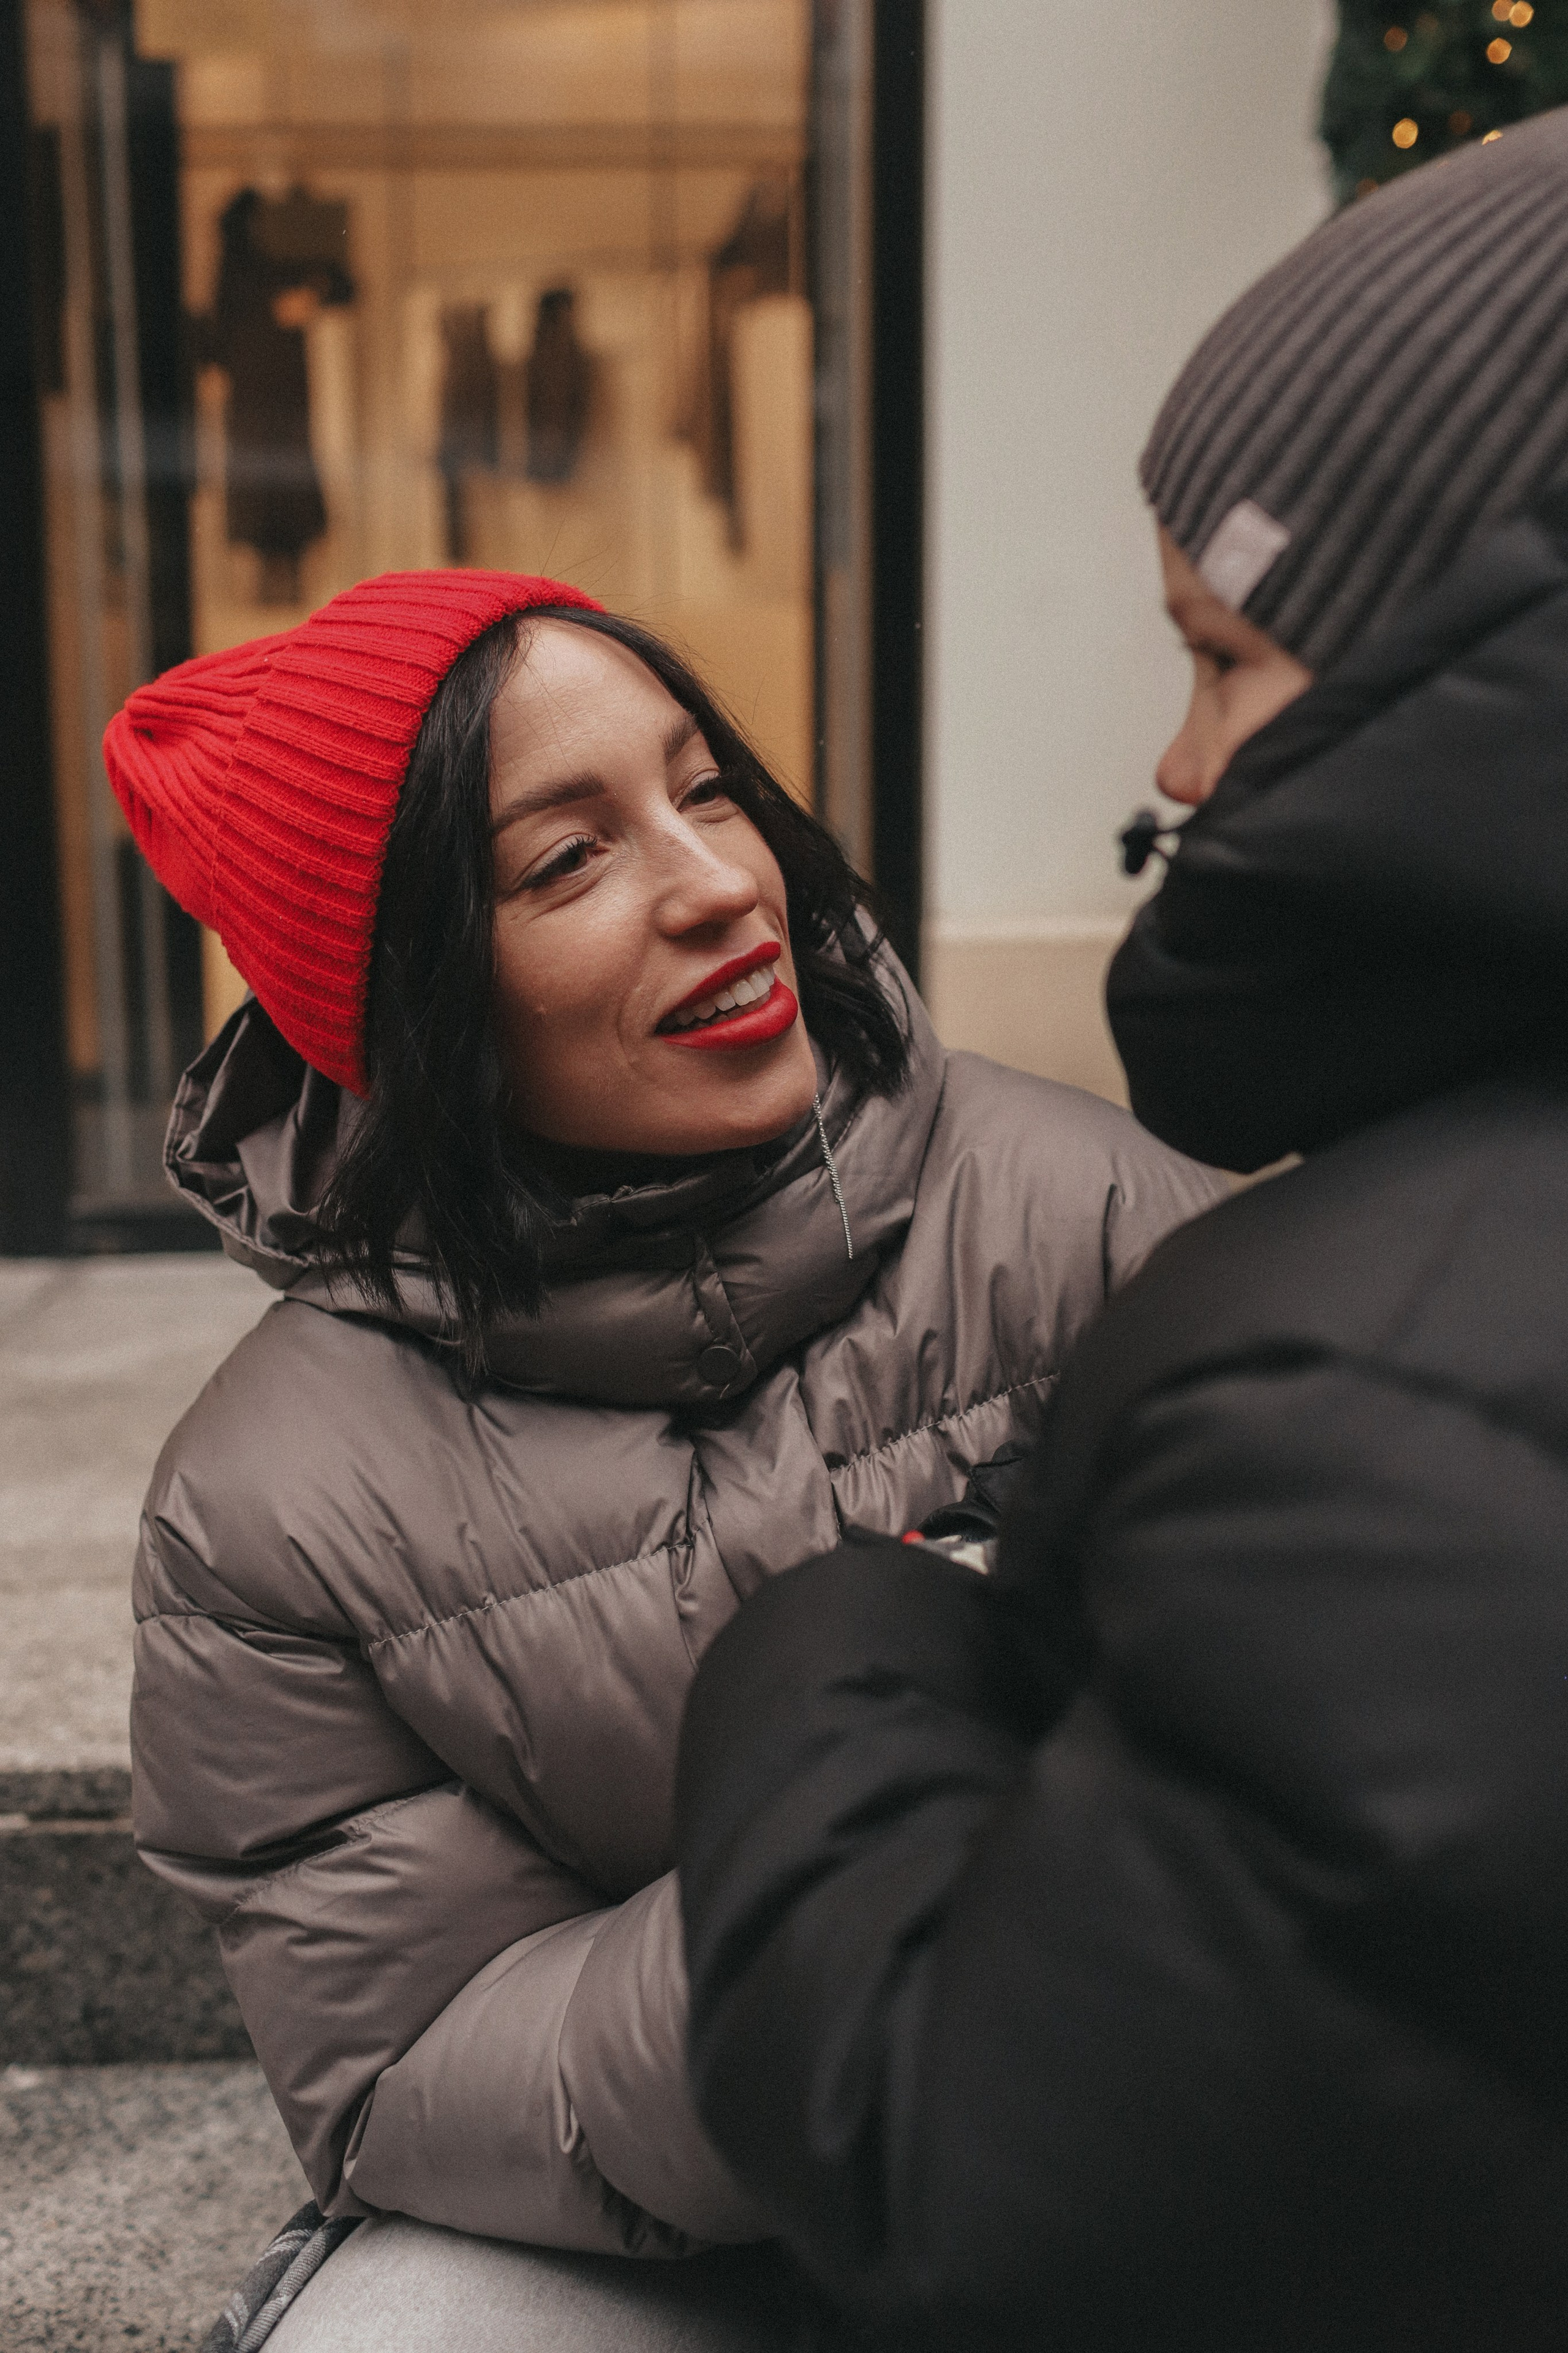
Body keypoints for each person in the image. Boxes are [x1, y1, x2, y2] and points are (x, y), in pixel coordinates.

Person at [675, 110, 1568, 2353]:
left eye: (1229, 654)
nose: (1178, 765)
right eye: (560, 852)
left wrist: (846, 1643)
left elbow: (1039, 2204)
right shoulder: (266, 1506)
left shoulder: (1334, 1343)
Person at [103, 568, 1219, 2344]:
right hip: (693, 2223)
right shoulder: (271, 1512)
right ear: (418, 1006)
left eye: (707, 790)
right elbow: (408, 2061)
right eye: (567, 861)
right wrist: (840, 1945)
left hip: (1126, 2140)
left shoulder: (1079, 1210)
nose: (720, 885)